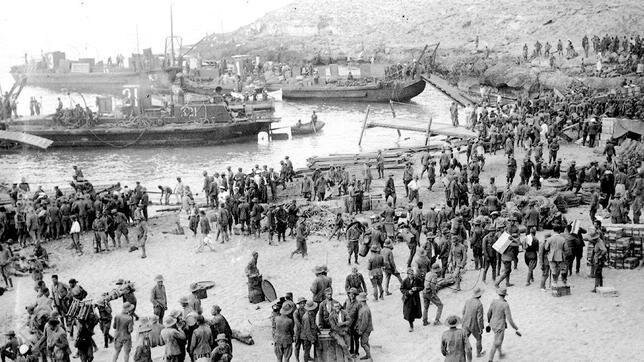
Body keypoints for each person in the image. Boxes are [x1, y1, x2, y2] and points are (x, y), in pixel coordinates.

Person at [487, 287, 519, 362]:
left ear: (499, 294)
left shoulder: (493, 301)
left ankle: (500, 354)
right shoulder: (505, 304)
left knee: (498, 340)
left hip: (493, 324)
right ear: (505, 295)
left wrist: (489, 322)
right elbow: (509, 319)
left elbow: (489, 313)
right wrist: (515, 327)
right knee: (496, 343)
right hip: (500, 326)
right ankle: (490, 359)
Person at [462, 287, 486, 358]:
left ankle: (463, 353)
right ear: (480, 295)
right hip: (474, 325)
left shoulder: (467, 301)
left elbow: (463, 312)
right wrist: (481, 328)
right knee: (478, 338)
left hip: (465, 323)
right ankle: (478, 354)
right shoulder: (479, 304)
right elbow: (480, 318)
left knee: (465, 339)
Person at [400, 268, 423, 332]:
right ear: (407, 274)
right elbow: (402, 289)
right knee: (409, 313)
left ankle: (413, 320)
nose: (412, 275)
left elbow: (422, 287)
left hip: (415, 299)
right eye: (410, 274)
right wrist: (407, 292)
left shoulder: (417, 280)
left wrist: (417, 288)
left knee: (415, 311)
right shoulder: (404, 281)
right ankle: (411, 325)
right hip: (408, 299)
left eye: (413, 274)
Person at [355, 292, 373, 360]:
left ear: (361, 301)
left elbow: (364, 323)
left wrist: (361, 331)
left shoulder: (365, 310)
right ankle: (368, 355)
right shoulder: (364, 307)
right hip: (367, 328)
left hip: (366, 329)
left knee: (363, 343)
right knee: (366, 342)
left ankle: (368, 356)